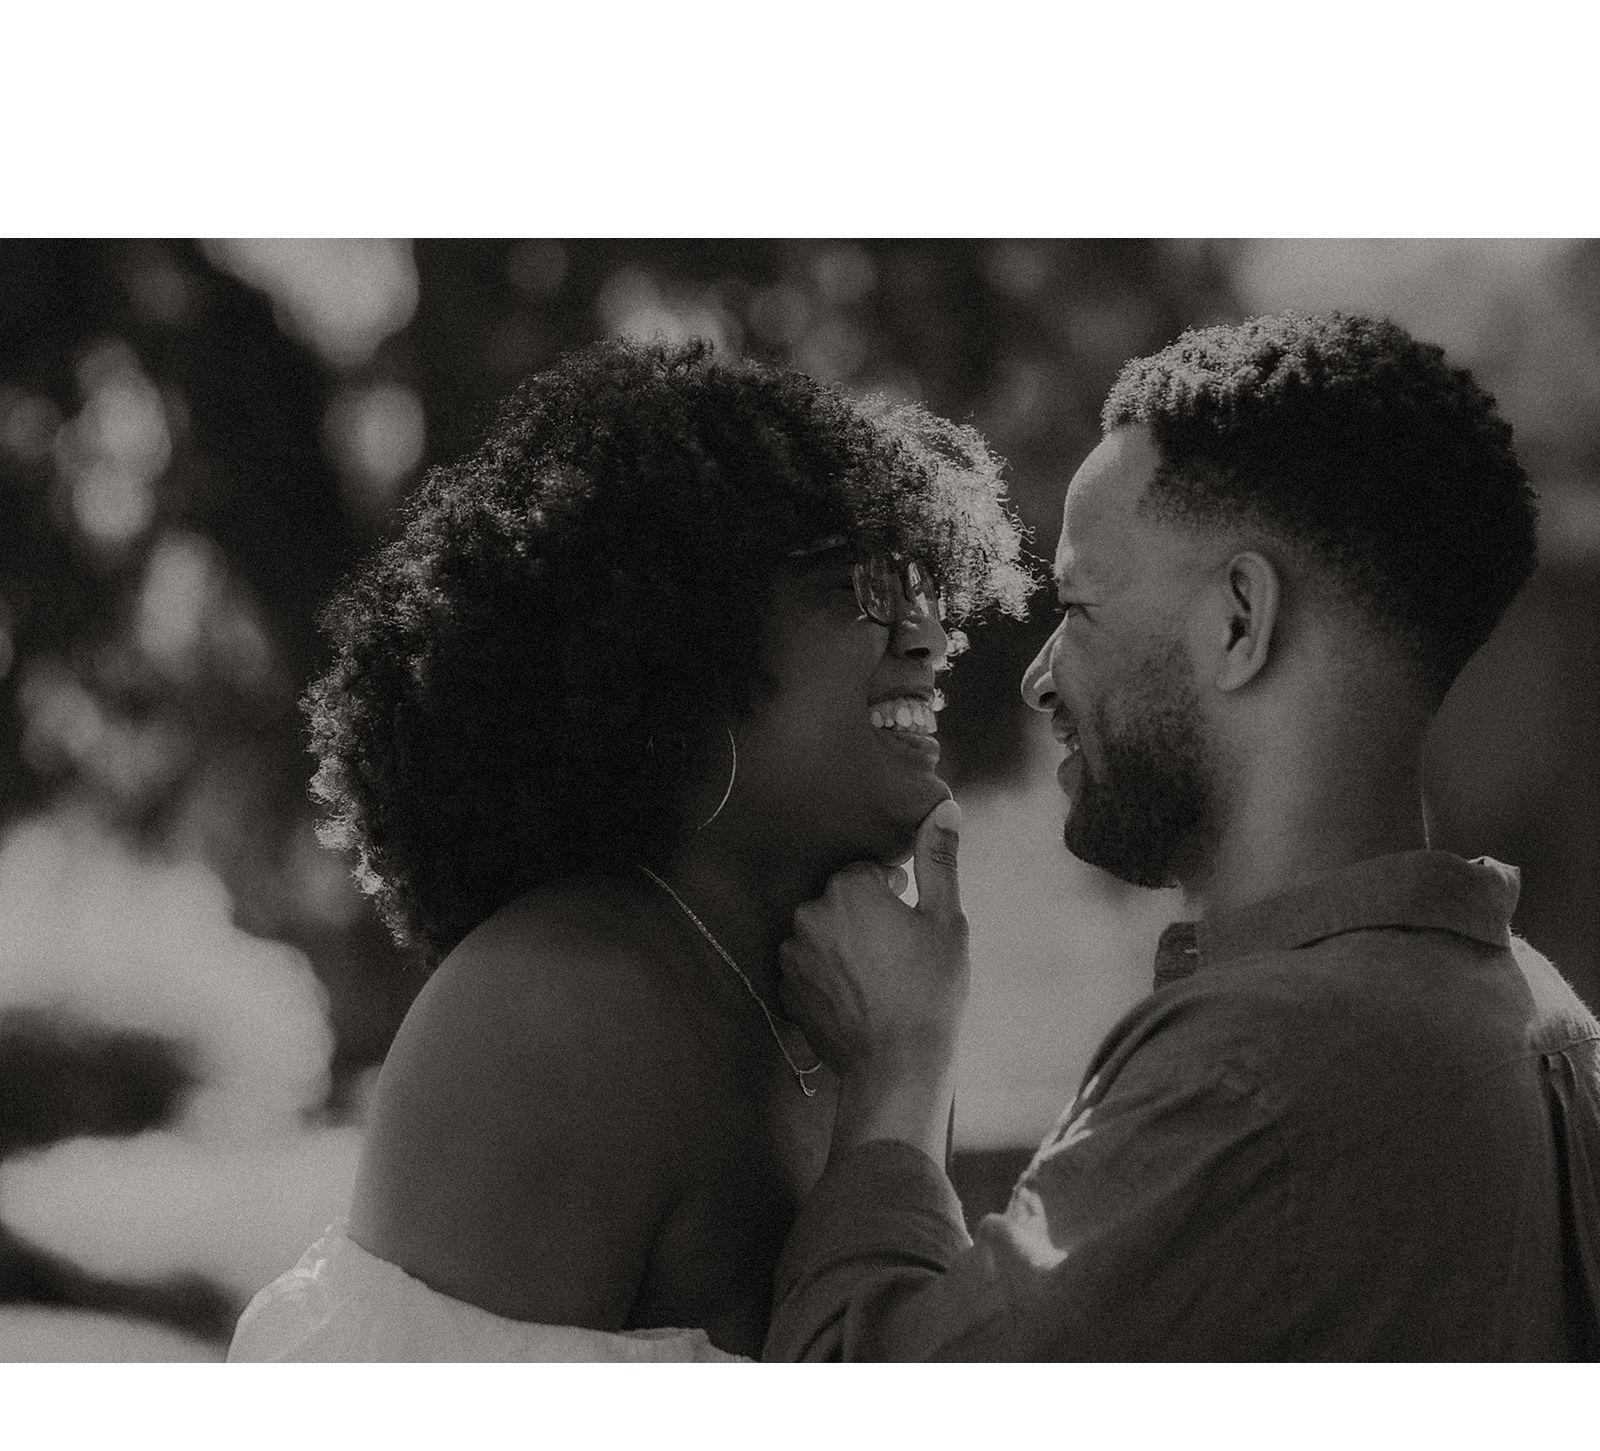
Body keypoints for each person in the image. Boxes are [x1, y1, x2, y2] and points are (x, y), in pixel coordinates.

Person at [765, 310, 1600, 1361]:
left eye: (1077, 607)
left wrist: (897, 1071)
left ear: (1239, 620)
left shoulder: (1259, 1075)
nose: (1038, 678)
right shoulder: (1547, 1022)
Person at [227, 339, 1031, 1362]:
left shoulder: (851, 1008)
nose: (928, 638)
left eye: (928, 591)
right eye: (861, 585)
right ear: (681, 647)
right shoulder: (560, 1002)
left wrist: (904, 1070)